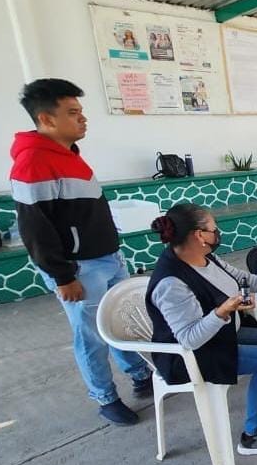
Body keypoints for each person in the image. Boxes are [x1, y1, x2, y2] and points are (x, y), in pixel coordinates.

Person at [10, 78, 153, 426]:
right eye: (73, 113)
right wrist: (63, 276)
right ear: (46, 119)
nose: (83, 119)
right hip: (78, 268)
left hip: (107, 257)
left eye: (81, 112)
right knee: (90, 335)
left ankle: (139, 374)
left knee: (121, 322)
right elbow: (35, 229)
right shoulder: (32, 162)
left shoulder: (69, 155)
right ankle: (105, 398)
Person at [148, 203, 257, 457]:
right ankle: (253, 434)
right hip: (189, 356)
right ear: (199, 235)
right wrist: (223, 311)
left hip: (221, 336)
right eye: (214, 228)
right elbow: (190, 339)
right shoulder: (171, 283)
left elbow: (242, 278)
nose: (218, 233)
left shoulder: (203, 257)